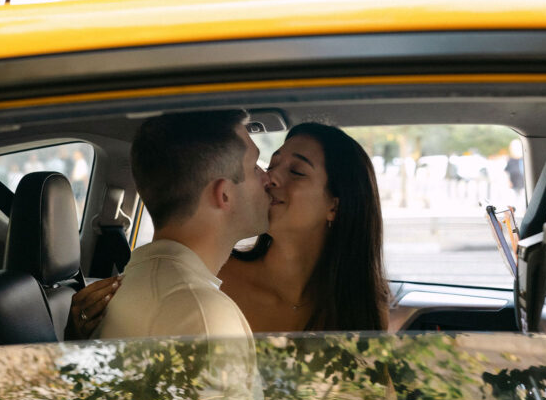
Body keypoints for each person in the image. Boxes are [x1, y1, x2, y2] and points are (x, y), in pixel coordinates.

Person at [70, 122, 389, 336]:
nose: (271, 177)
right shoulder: (211, 276)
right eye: (272, 163)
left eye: (296, 171)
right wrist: (82, 332)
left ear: (335, 205)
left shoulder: (358, 303)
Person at [94, 109, 272, 400]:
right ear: (223, 194)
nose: (268, 178)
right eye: (256, 167)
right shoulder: (205, 314)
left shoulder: (137, 279)